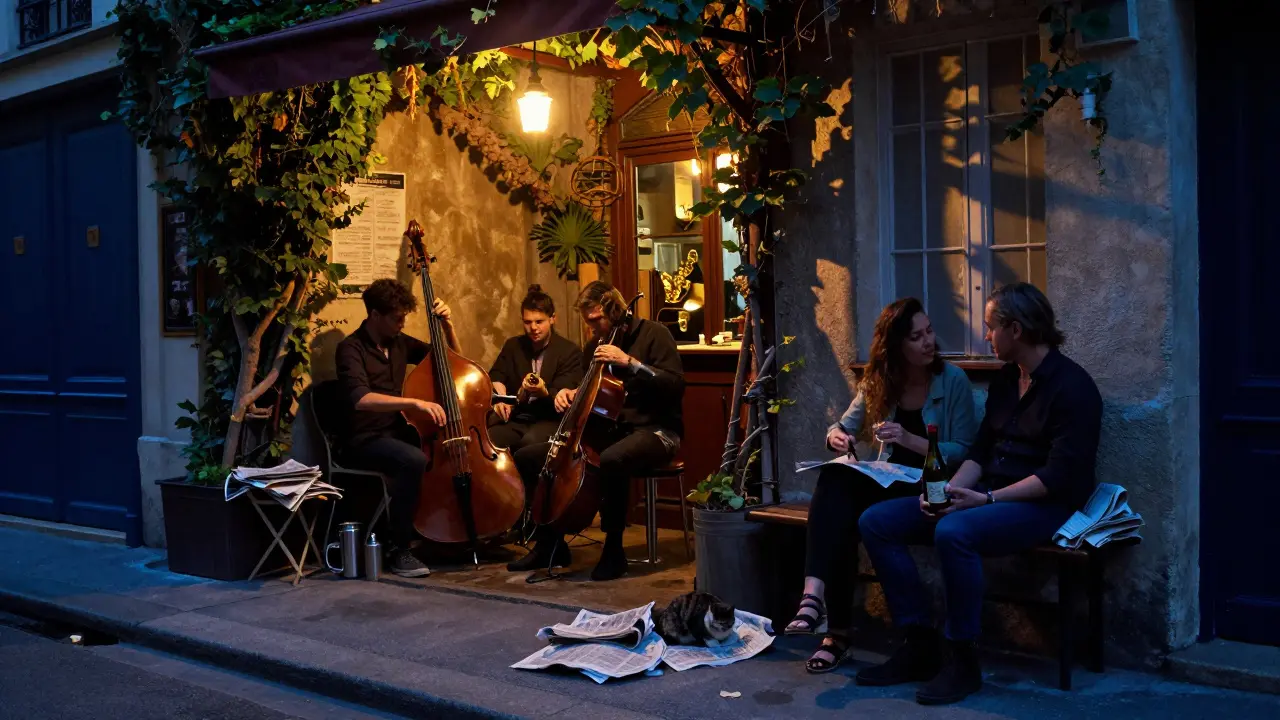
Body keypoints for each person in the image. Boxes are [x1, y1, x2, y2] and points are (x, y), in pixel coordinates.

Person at [855, 282, 1103, 705]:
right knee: (877, 522)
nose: (985, 337)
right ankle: (918, 643)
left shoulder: (1074, 388)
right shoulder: (1008, 379)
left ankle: (963, 660)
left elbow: (1059, 477)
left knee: (955, 532)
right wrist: (948, 491)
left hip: (1044, 505)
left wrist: (986, 501)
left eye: (990, 328)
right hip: (987, 493)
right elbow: (982, 448)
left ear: (1016, 330)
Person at [784, 298, 979, 675]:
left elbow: (963, 452)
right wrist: (837, 438)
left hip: (931, 485)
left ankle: (830, 627)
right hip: (890, 479)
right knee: (836, 484)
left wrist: (907, 438)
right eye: (916, 337)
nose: (928, 342)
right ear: (895, 347)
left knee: (845, 508)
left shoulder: (952, 380)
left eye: (929, 332)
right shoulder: (879, 379)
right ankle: (815, 599)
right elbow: (841, 426)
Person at [506, 281, 685, 581]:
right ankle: (551, 544)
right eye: (587, 322)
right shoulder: (595, 347)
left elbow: (675, 384)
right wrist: (568, 392)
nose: (592, 329)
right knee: (530, 456)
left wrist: (630, 362)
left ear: (614, 312)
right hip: (610, 431)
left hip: (657, 431)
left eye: (595, 320)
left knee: (613, 459)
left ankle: (614, 551)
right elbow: (588, 391)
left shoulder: (654, 334)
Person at [333, 278, 460, 578]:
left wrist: (448, 326)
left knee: (441, 448)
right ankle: (399, 548)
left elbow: (451, 362)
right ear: (375, 315)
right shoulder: (350, 349)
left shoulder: (400, 343)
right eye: (397, 318)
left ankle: (442, 531)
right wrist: (411, 403)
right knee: (413, 459)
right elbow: (361, 399)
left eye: (404, 317)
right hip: (362, 439)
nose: (402, 324)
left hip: (395, 432)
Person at [487, 285, 584, 452]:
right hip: (518, 418)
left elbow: (563, 394)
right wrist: (502, 399)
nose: (533, 328)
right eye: (527, 322)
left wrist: (543, 392)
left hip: (550, 419)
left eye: (539, 322)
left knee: (529, 445)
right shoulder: (513, 346)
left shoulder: (569, 351)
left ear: (553, 318)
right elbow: (496, 376)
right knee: (487, 439)